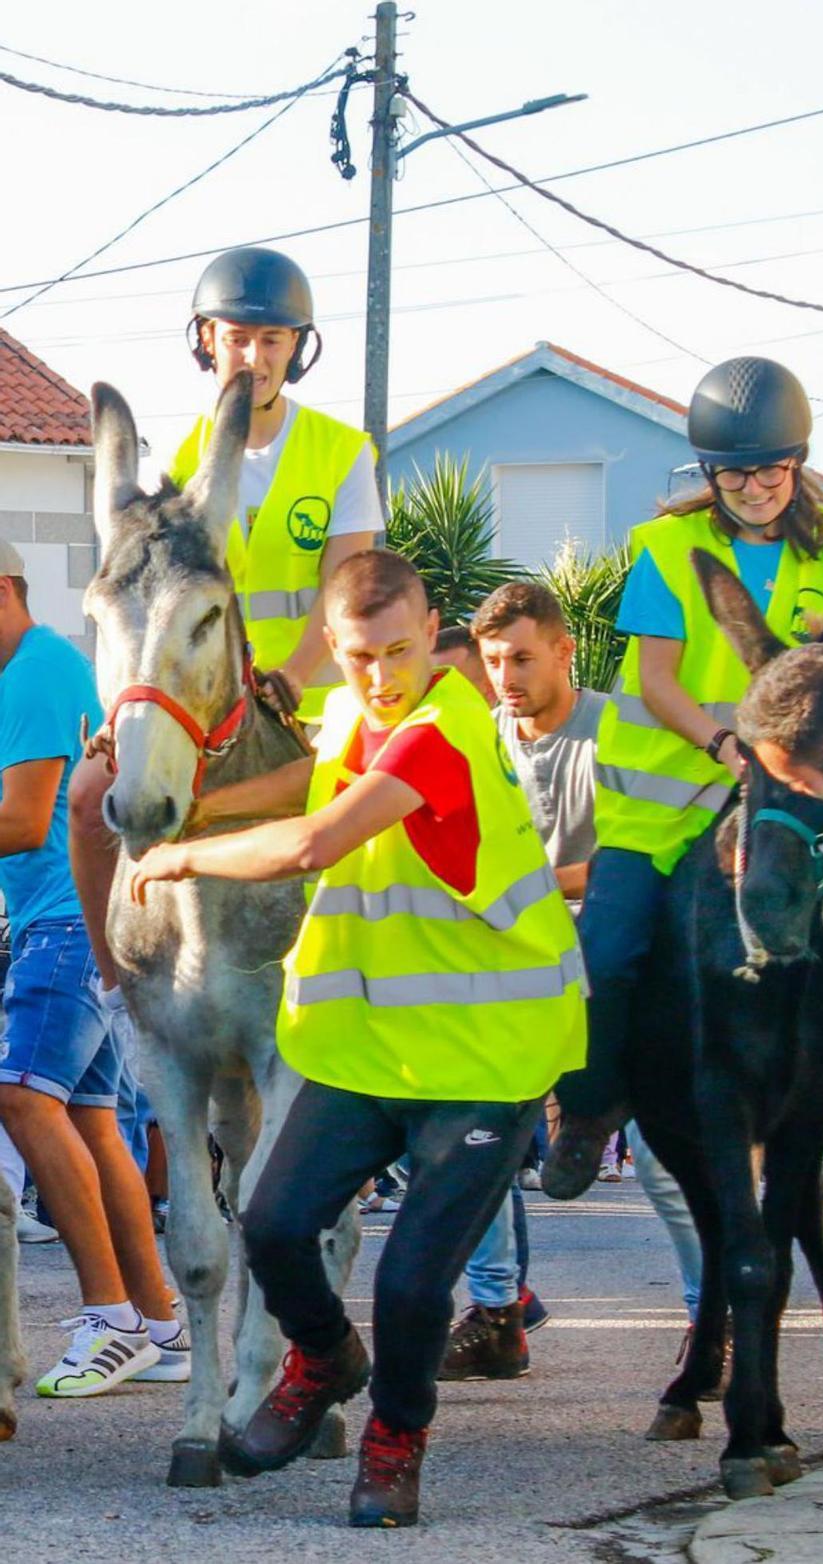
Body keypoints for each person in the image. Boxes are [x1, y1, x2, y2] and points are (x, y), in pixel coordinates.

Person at [130, 550, 586, 1529]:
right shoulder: (350, 714)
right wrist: (205, 797)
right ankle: (326, 1357)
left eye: (400, 650)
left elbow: (313, 839)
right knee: (276, 1225)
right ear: (332, 650)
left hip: (484, 1058)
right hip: (371, 1048)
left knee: (414, 1280)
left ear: (433, 637)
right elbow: (311, 773)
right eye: (361, 655)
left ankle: (393, 1443)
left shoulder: (439, 733)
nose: (383, 675)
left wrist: (181, 850)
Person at [542, 355, 823, 1200]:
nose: (754, 485)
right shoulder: (666, 547)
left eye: (769, 468)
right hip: (665, 811)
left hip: (805, 805)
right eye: (735, 471)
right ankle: (586, 1112)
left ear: (795, 464)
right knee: (609, 953)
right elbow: (657, 682)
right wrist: (729, 745)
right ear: (711, 473)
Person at [67, 243, 380, 1008]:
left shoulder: (342, 454)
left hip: (309, 695)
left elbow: (345, 589)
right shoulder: (179, 459)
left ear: (297, 350)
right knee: (86, 797)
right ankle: (120, 986)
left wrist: (297, 674)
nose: (253, 355)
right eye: (237, 337)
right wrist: (124, 710)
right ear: (207, 341)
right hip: (193, 699)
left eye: (271, 340)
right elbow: (145, 605)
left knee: (369, 815)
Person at [0, 546, 187, 1394]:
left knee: (21, 1095)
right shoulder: (35, 668)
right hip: (81, 916)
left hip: (67, 919)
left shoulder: (34, 673)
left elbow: (24, 819)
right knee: (90, 1117)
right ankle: (157, 1322)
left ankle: (110, 1319)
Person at [437, 585, 602, 1381]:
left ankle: (719, 1319)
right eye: (495, 660)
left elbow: (628, 861)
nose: (506, 675)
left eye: (522, 658)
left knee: (676, 1166)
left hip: (602, 954)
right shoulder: (480, 737)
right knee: (470, 1133)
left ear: (565, 651)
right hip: (503, 967)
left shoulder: (614, 732)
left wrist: (534, 884)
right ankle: (499, 1310)